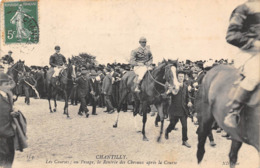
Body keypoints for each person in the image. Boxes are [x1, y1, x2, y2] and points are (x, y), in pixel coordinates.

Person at [224, 0, 260, 128]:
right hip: (248, 53)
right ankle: (234, 111)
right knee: (256, 75)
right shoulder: (243, 9)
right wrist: (255, 43)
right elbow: (231, 35)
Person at [165, 71, 192, 148]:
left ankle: (184, 140)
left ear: (184, 78)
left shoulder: (185, 86)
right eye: (179, 76)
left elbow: (188, 96)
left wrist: (189, 102)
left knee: (185, 126)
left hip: (183, 110)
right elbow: (167, 95)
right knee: (172, 125)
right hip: (174, 110)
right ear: (177, 77)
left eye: (182, 77)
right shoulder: (173, 86)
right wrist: (168, 91)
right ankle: (167, 131)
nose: (181, 78)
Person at [0, 73, 17, 168]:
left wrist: (13, 113)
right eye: (6, 84)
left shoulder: (7, 95)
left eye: (9, 84)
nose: (9, 86)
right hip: (1, 134)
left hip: (9, 132)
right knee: (3, 156)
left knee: (10, 155)